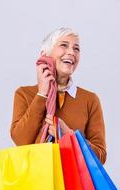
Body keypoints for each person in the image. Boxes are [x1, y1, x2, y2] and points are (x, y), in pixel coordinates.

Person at [10, 27, 107, 164]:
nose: (71, 52)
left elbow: (101, 156)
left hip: (73, 184)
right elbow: (21, 141)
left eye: (76, 49)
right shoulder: (24, 94)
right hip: (38, 182)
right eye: (64, 45)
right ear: (45, 55)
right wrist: (42, 94)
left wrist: (69, 136)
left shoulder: (90, 100)